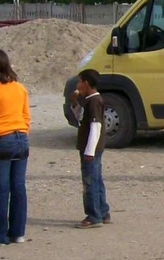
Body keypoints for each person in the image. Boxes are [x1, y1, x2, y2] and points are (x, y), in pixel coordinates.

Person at [0, 49, 30, 246]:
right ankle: (17, 232)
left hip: (2, 139)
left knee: (1, 189)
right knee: (18, 187)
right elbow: (26, 116)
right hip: (21, 137)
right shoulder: (20, 88)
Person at [69, 69, 111, 229]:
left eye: (79, 81)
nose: (77, 84)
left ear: (86, 83)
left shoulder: (95, 101)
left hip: (91, 149)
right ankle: (103, 211)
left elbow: (96, 126)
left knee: (90, 182)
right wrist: (74, 102)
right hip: (91, 148)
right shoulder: (87, 100)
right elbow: (80, 118)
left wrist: (89, 151)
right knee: (96, 179)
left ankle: (93, 215)